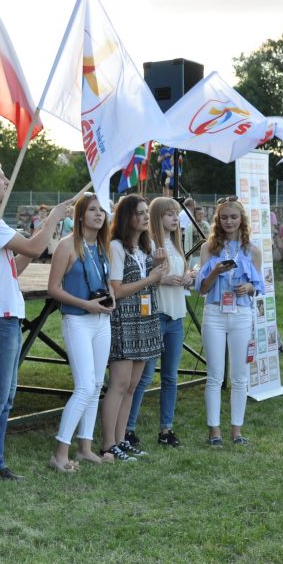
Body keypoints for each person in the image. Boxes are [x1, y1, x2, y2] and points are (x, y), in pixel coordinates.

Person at [0, 159, 67, 488]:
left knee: (4, 398)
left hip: (7, 313)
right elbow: (34, 246)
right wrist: (52, 219)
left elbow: (16, 265)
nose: (7, 181)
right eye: (2, 176)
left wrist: (42, 234)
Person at [46, 192, 115, 472]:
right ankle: (60, 454)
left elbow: (107, 281)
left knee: (97, 384)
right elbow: (53, 289)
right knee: (85, 386)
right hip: (77, 320)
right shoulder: (67, 245)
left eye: (102, 211)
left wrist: (111, 298)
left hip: (101, 320)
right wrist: (86, 304)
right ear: (81, 215)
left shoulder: (102, 245)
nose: (99, 215)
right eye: (93, 210)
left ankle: (85, 448)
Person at [125, 197, 195, 449]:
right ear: (157, 217)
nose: (175, 218)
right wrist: (162, 279)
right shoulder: (150, 244)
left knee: (170, 377)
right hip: (156, 314)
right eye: (169, 214)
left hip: (176, 315)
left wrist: (188, 278)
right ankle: (128, 428)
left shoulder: (176, 243)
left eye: (176, 213)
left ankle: (166, 428)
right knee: (144, 377)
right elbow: (142, 277)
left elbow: (178, 273)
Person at [196, 198, 265, 445]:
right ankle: (214, 431)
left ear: (241, 220)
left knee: (240, 376)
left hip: (241, 315)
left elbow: (257, 287)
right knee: (215, 375)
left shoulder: (253, 251)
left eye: (233, 217)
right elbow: (203, 289)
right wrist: (215, 272)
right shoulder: (209, 248)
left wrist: (248, 287)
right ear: (218, 220)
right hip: (214, 313)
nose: (229, 221)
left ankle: (237, 431)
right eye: (224, 217)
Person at [100, 195, 164, 462]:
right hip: (124, 319)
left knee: (132, 385)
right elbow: (116, 290)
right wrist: (151, 277)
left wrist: (158, 269)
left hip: (145, 318)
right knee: (119, 383)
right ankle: (108, 444)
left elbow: (152, 283)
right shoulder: (116, 246)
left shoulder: (146, 247)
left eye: (146, 212)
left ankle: (121, 439)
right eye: (140, 213)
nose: (146, 217)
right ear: (127, 217)